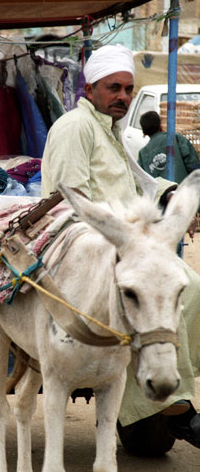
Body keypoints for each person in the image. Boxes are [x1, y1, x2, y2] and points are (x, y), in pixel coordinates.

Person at [41, 43, 200, 448]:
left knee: (189, 285)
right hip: (88, 248)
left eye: (128, 90)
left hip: (126, 243)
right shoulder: (75, 128)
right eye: (114, 88)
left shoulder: (109, 131)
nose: (123, 98)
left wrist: (175, 202)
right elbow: (69, 202)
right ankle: (177, 408)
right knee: (154, 292)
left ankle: (161, 383)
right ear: (91, 87)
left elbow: (138, 183)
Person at [138, 110, 200, 183]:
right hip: (183, 191)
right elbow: (193, 165)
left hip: (161, 194)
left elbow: (142, 181)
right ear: (160, 125)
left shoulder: (142, 154)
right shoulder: (176, 138)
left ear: (144, 132)